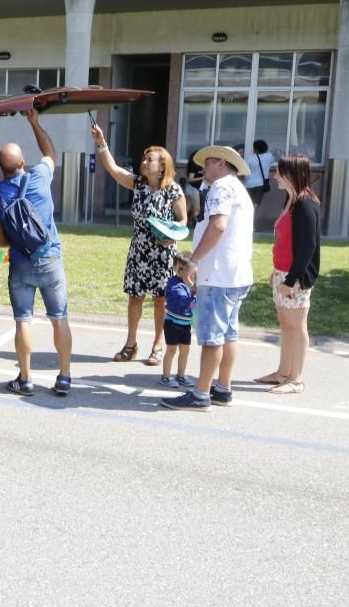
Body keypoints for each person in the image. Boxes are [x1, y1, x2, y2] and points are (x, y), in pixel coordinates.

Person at [0, 109, 72, 397]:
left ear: (0, 166)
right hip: (51, 259)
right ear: (23, 163)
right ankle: (64, 378)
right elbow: (49, 152)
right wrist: (34, 122)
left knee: (23, 319)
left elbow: (2, 242)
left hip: (21, 265)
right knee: (59, 317)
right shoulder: (39, 176)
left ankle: (25, 379)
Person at [161, 145, 254, 411]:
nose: (203, 169)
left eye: (208, 163)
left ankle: (200, 393)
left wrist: (193, 261)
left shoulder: (221, 188)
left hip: (217, 274)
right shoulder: (238, 189)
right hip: (235, 273)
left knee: (212, 336)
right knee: (229, 334)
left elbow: (218, 226)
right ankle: (222, 388)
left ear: (222, 164)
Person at [91, 125, 186, 367]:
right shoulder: (138, 185)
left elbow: (183, 221)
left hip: (163, 254)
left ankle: (157, 345)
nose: (144, 162)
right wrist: (102, 143)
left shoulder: (173, 190)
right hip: (139, 252)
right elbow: (112, 169)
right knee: (135, 298)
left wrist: (171, 236)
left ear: (162, 166)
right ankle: (130, 344)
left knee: (160, 300)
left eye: (150, 159)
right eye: (144, 158)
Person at [254, 154, 322, 394]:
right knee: (285, 325)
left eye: (280, 172)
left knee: (297, 325)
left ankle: (297, 379)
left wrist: (291, 280)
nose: (275, 176)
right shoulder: (291, 199)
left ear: (292, 174)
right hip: (283, 272)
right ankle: (283, 372)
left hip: (296, 277)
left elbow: (308, 247)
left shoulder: (304, 203)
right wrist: (278, 273)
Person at [160, 252, 196, 388]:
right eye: (190, 272)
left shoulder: (191, 284)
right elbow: (181, 301)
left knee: (185, 350)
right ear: (180, 270)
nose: (193, 275)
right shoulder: (175, 284)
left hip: (185, 324)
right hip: (172, 323)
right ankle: (166, 376)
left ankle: (181, 375)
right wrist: (192, 292)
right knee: (171, 349)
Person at [243, 139, 274, 208]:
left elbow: (244, 169)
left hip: (249, 184)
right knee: (255, 204)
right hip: (261, 184)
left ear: (255, 149)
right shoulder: (269, 156)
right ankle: (252, 217)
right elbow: (272, 161)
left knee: (246, 203)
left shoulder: (250, 158)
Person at [184, 151, 204, 227]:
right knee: (196, 210)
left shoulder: (198, 166)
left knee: (186, 209)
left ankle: (179, 225)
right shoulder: (193, 166)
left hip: (190, 188)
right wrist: (202, 177)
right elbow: (190, 179)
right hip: (193, 189)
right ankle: (198, 227)